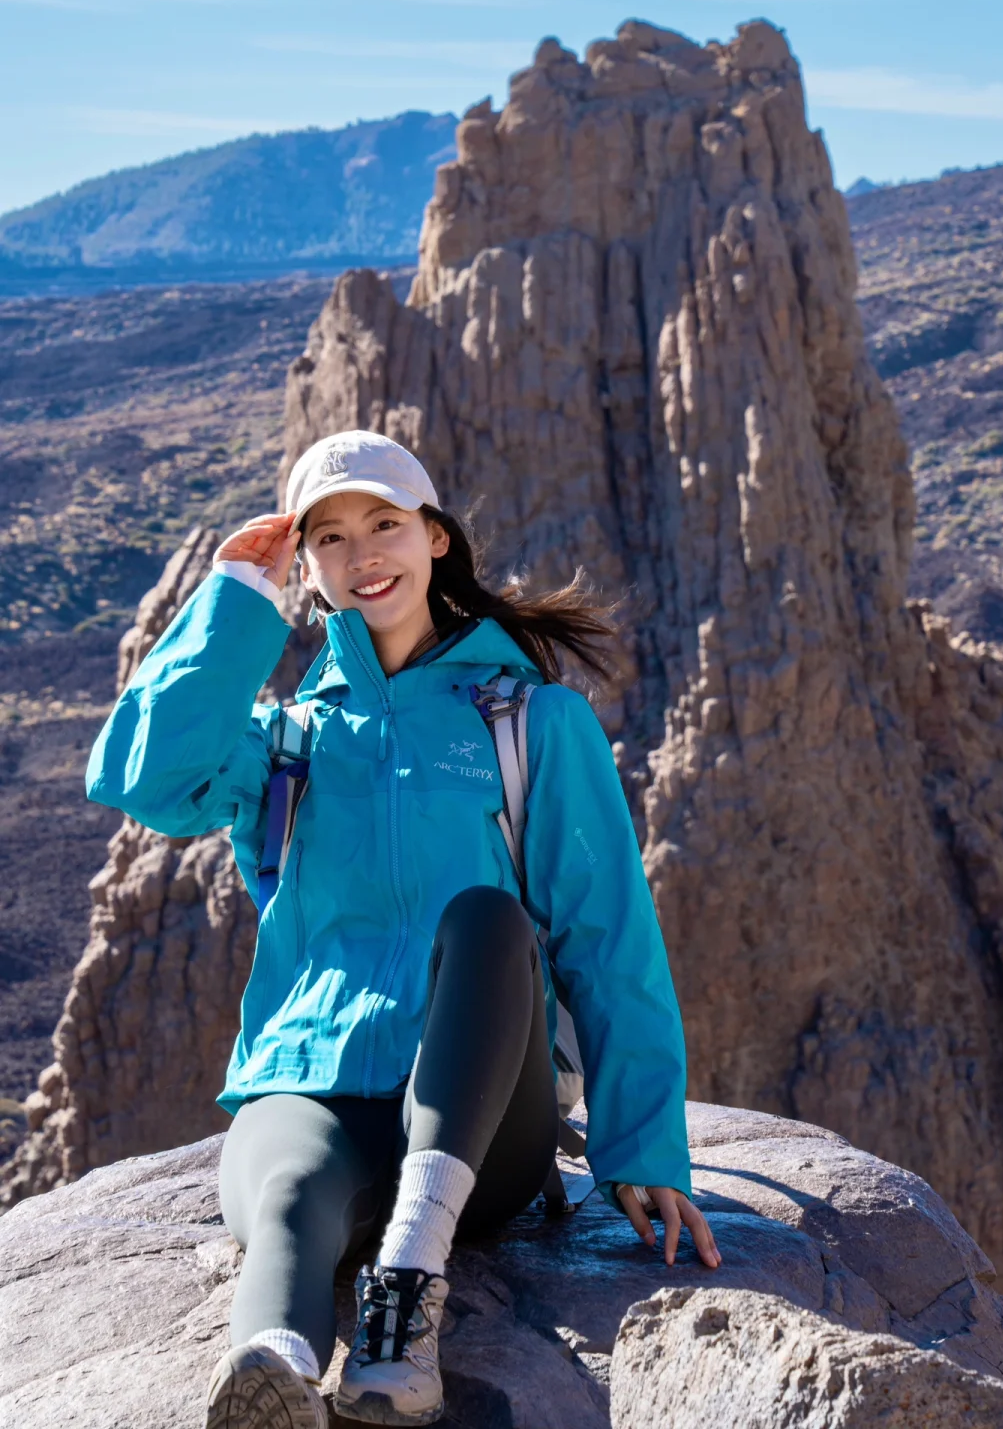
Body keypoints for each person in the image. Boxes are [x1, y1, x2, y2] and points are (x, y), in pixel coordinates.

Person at [86, 430, 719, 1429]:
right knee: (288, 1198)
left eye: (385, 524)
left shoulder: (528, 722)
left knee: (486, 921)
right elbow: (140, 780)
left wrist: (644, 1147)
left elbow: (609, 940)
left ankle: (406, 1297)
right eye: (329, 539)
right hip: (316, 1085)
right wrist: (234, 603)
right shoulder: (289, 741)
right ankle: (272, 1371)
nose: (362, 554)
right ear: (307, 570)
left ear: (435, 539)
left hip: (486, 1124)